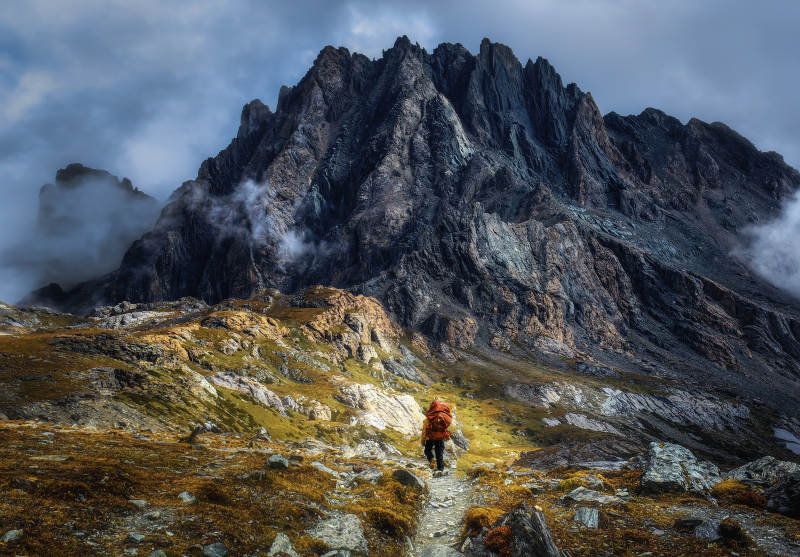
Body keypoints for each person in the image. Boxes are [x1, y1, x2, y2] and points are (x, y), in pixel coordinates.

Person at [421, 398, 452, 475]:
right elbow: (445, 428)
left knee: (427, 450)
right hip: (440, 437)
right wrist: (447, 437)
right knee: (439, 452)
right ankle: (440, 469)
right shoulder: (444, 417)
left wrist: (422, 441)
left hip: (430, 437)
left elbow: (424, 431)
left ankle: (432, 461)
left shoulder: (429, 418)